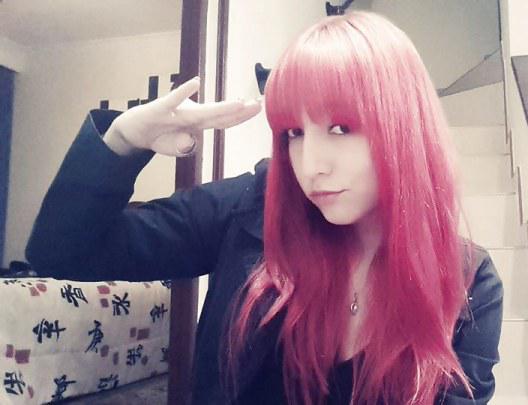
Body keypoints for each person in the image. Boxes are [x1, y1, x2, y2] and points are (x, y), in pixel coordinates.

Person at [26, 10, 503, 405]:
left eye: (340, 128)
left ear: (404, 126)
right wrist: (122, 141)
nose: (311, 164)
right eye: (294, 132)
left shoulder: (467, 282)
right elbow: (64, 251)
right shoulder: (248, 210)